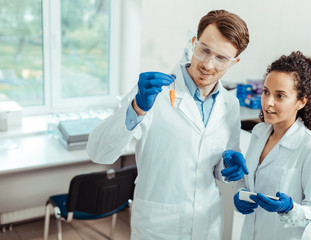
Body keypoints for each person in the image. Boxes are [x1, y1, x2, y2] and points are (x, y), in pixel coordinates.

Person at [86, 9, 250, 239]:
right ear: (194, 43)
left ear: (235, 62)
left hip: (207, 223)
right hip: (158, 225)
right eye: (204, 50)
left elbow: (217, 170)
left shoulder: (230, 104)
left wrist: (227, 167)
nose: (208, 64)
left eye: (221, 58)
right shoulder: (154, 93)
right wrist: (137, 108)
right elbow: (98, 152)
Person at [222, 51, 311, 240]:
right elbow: (248, 180)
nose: (268, 103)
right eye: (266, 92)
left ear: (301, 101)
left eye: (280, 96)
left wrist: (290, 209)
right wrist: (240, 192)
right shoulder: (259, 132)